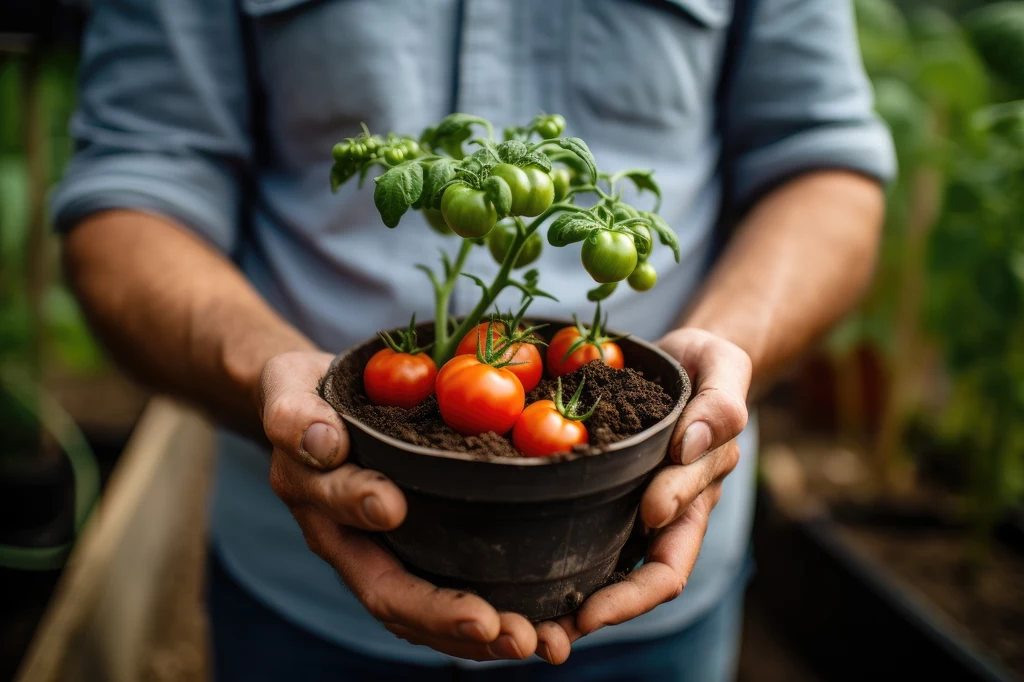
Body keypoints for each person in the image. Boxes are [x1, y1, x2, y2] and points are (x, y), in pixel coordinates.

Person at [54, 0, 894, 679]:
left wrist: (721, 347)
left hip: (644, 550)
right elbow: (136, 181)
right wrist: (269, 377)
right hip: (301, 582)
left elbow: (820, 160)